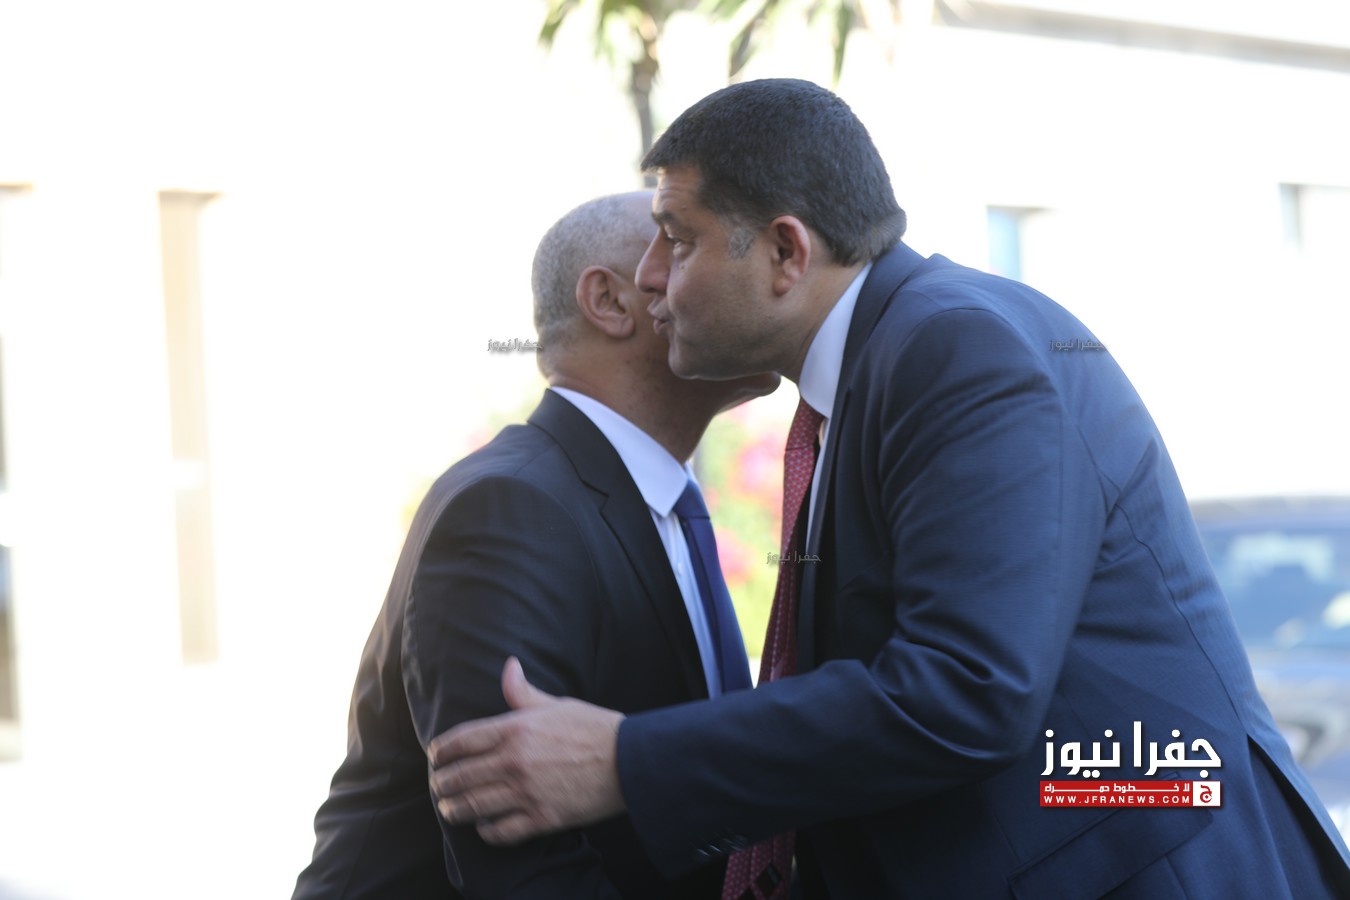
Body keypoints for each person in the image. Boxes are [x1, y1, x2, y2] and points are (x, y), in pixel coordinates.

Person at [427, 79, 1350, 898]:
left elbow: (967, 688)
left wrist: (625, 763)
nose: (650, 276)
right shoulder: (879, 368)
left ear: (786, 252)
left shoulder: (955, 349)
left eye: (677, 239)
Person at [291, 190, 778, 899]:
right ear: (610, 301)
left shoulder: (657, 501)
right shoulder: (510, 511)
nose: (754, 274)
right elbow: (523, 871)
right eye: (680, 247)